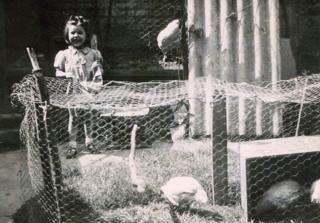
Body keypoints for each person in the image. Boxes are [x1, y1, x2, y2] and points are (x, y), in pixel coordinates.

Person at [54, 15, 103, 159]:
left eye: (80, 32)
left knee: (89, 117)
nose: (76, 35)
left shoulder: (93, 53)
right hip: (73, 91)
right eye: (73, 32)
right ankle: (72, 145)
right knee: (73, 118)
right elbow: (58, 71)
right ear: (67, 36)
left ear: (86, 35)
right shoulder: (64, 54)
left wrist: (97, 69)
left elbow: (98, 71)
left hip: (89, 90)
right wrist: (66, 75)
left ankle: (90, 142)